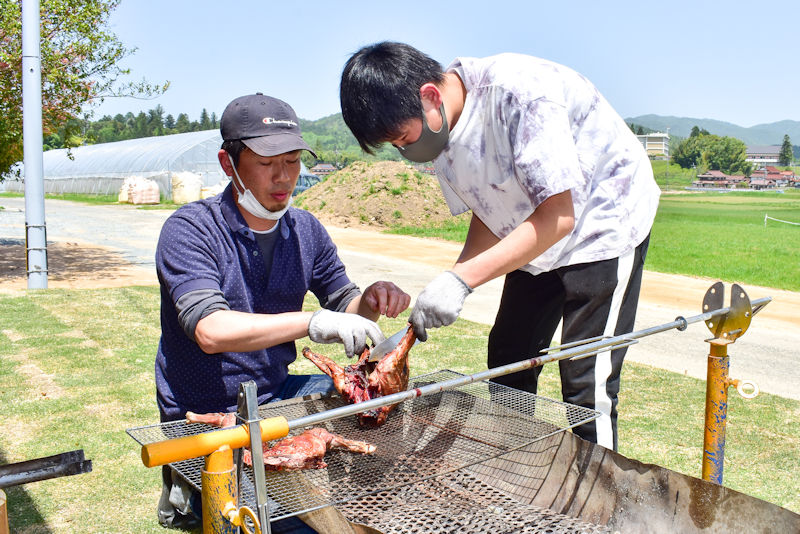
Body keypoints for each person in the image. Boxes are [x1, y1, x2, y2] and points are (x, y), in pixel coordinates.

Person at [339, 42, 660, 452]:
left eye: (403, 138)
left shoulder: (521, 95)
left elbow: (559, 216)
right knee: (508, 360)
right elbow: (490, 209)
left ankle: (603, 503)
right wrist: (452, 277)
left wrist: (463, 280)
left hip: (603, 223)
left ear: (430, 96)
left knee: (585, 379)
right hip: (535, 231)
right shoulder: (440, 131)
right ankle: (516, 475)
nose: (406, 152)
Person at [154, 92, 410, 530]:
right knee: (285, 519)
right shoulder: (191, 229)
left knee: (386, 419)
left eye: (292, 161)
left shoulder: (305, 229)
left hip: (276, 392)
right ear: (228, 163)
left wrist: (369, 301)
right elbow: (211, 330)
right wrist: (312, 322)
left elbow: (344, 302)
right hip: (207, 410)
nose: (283, 177)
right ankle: (188, 491)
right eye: (266, 162)